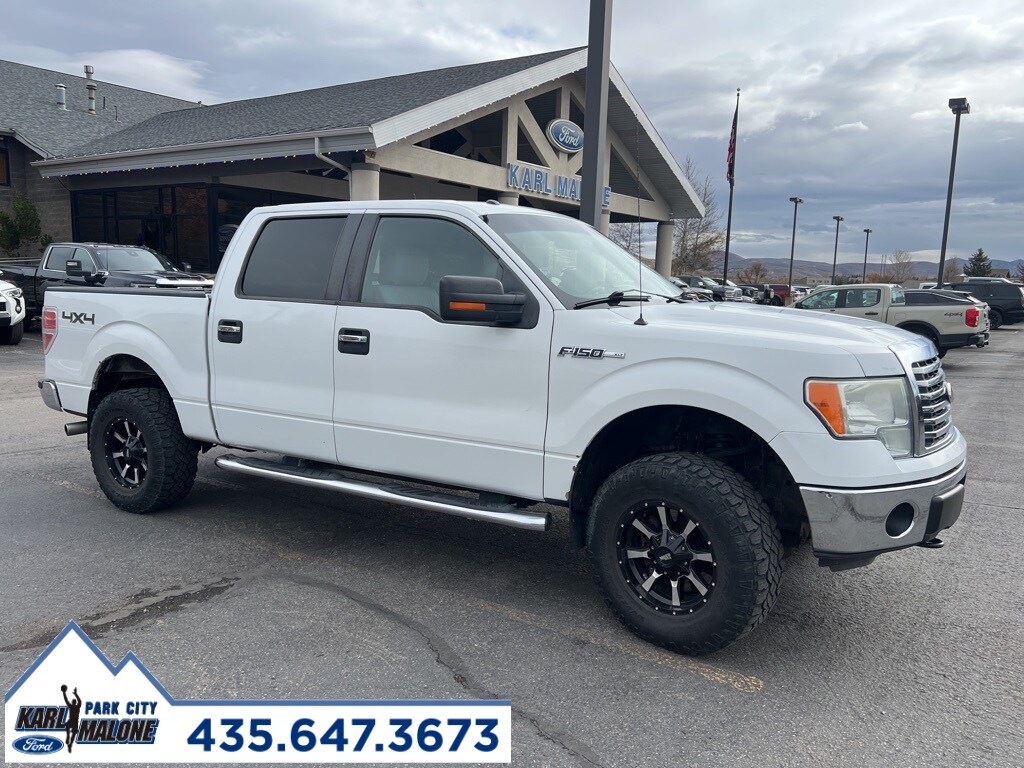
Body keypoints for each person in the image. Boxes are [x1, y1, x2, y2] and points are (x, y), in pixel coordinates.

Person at [61, 684, 81, 753]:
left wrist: (64, 693)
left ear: (73, 702)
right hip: (73, 722)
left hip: (73, 721)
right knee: (71, 731)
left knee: (68, 727)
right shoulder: (75, 706)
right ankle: (68, 738)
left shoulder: (74, 706)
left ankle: (69, 741)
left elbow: (66, 700)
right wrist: (75, 694)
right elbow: (67, 700)